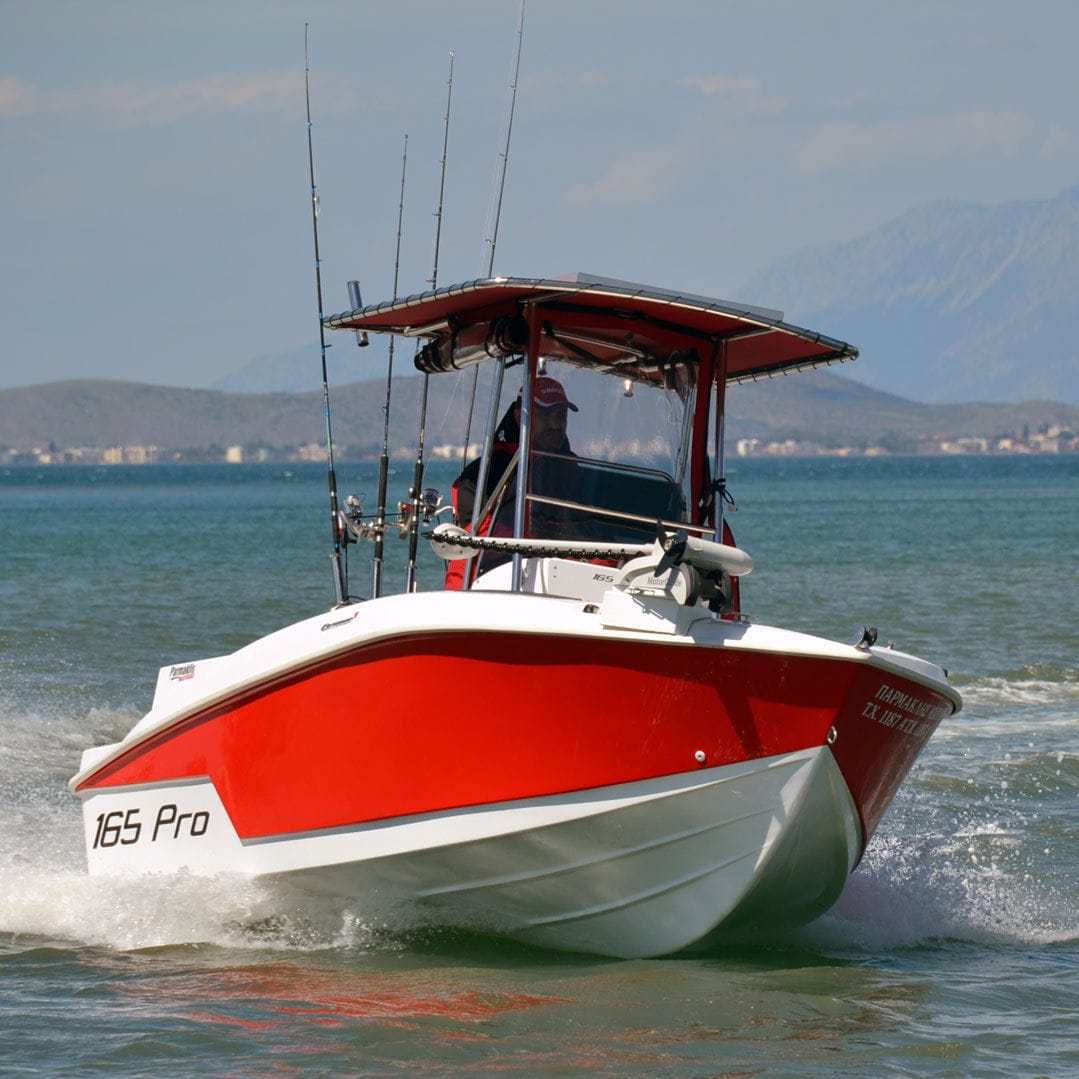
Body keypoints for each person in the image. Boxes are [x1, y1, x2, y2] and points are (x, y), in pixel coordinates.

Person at [446, 376, 579, 588]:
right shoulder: (486, 473)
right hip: (501, 580)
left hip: (570, 580)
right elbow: (471, 545)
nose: (554, 424)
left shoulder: (574, 472)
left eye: (560, 415)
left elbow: (589, 531)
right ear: (519, 417)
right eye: (544, 415)